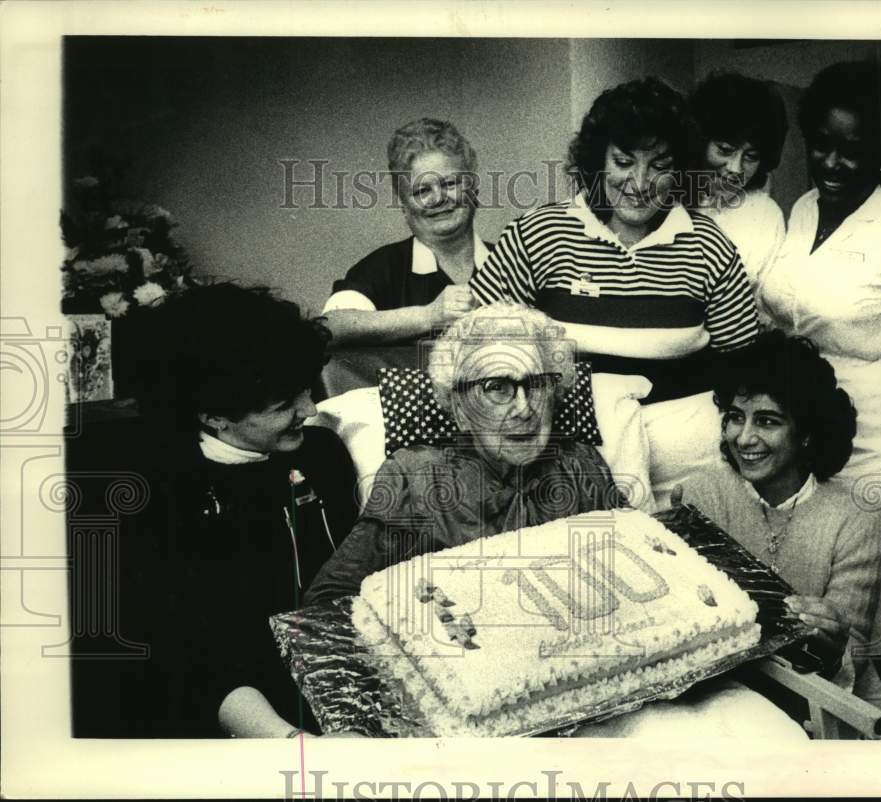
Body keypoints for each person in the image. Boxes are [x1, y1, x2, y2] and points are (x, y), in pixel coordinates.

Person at [468, 76, 759, 509]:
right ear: (597, 162)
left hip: (691, 477)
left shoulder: (707, 244)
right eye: (624, 161)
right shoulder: (539, 231)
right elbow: (480, 344)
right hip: (563, 469)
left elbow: (747, 370)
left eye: (659, 165)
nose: (640, 183)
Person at [83, 283, 360, 738]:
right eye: (283, 405)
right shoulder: (153, 493)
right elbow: (180, 655)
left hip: (334, 675)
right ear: (213, 415)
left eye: (305, 391)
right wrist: (289, 742)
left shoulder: (323, 455)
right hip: (231, 710)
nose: (310, 410)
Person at [305, 303, 627, 602]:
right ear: (459, 410)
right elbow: (329, 597)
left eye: (537, 384)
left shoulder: (581, 464)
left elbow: (635, 559)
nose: (523, 408)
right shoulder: (416, 478)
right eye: (496, 387)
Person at [758, 61, 881, 536]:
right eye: (821, 145)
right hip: (811, 428)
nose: (830, 163)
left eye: (851, 151)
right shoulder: (804, 208)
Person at [678, 331, 881, 704]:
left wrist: (831, 644)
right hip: (721, 696)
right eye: (735, 418)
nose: (744, 438)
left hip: (825, 701)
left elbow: (853, 652)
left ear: (806, 433)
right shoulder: (701, 495)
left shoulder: (854, 514)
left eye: (767, 422)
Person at [322, 118, 490, 344]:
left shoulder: (515, 260)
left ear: (473, 188)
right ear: (403, 204)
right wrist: (430, 316)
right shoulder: (383, 267)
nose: (438, 198)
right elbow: (329, 328)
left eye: (450, 184)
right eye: (422, 190)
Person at [689, 72, 788, 290]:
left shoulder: (766, 215)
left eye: (751, 156)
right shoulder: (663, 197)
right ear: (700, 141)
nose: (735, 168)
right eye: (725, 150)